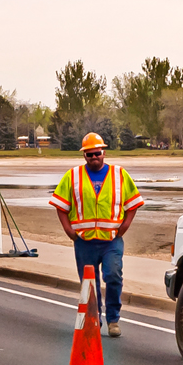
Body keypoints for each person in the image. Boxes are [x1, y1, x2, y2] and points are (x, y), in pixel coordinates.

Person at [49, 133, 144, 337]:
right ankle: (94, 319)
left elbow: (133, 204)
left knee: (113, 275)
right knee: (89, 284)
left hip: (111, 241)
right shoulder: (72, 176)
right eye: (90, 154)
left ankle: (113, 320)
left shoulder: (120, 175)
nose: (94, 157)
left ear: (104, 153)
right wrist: (70, 232)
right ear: (84, 156)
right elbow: (60, 206)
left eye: (97, 153)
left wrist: (124, 227)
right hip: (84, 242)